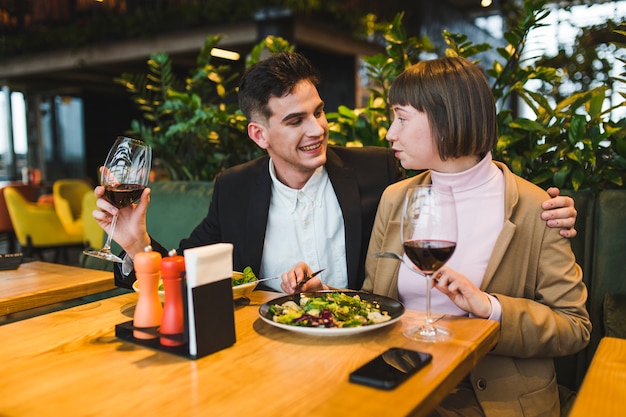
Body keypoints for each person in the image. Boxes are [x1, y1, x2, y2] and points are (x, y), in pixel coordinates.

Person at [92, 51, 577, 294]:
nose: (317, 129)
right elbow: (186, 273)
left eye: (319, 112)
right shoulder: (234, 188)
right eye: (296, 120)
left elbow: (462, 175)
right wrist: (136, 245)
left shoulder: (381, 172)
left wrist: (548, 209)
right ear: (259, 136)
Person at [342, 56, 589, 416]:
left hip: (489, 398)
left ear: (445, 119)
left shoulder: (538, 208)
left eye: (402, 118)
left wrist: (490, 308)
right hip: (398, 382)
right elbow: (376, 302)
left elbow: (574, 326)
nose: (390, 133)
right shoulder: (396, 199)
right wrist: (333, 302)